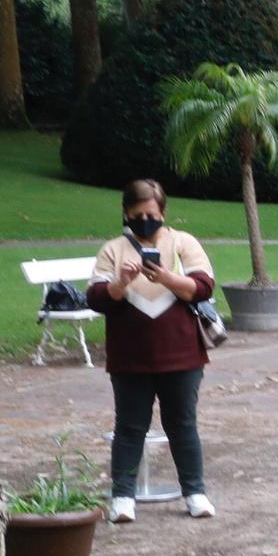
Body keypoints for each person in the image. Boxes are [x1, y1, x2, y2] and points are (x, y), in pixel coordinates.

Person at [87, 178, 217, 523]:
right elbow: (96, 297)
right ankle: (123, 497)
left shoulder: (182, 243)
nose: (145, 220)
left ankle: (195, 492)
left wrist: (167, 278)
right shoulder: (113, 250)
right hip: (130, 356)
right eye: (137, 214)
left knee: (182, 425)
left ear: (163, 212)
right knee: (130, 427)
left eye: (152, 214)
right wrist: (121, 283)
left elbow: (203, 287)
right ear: (126, 213)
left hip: (182, 354)